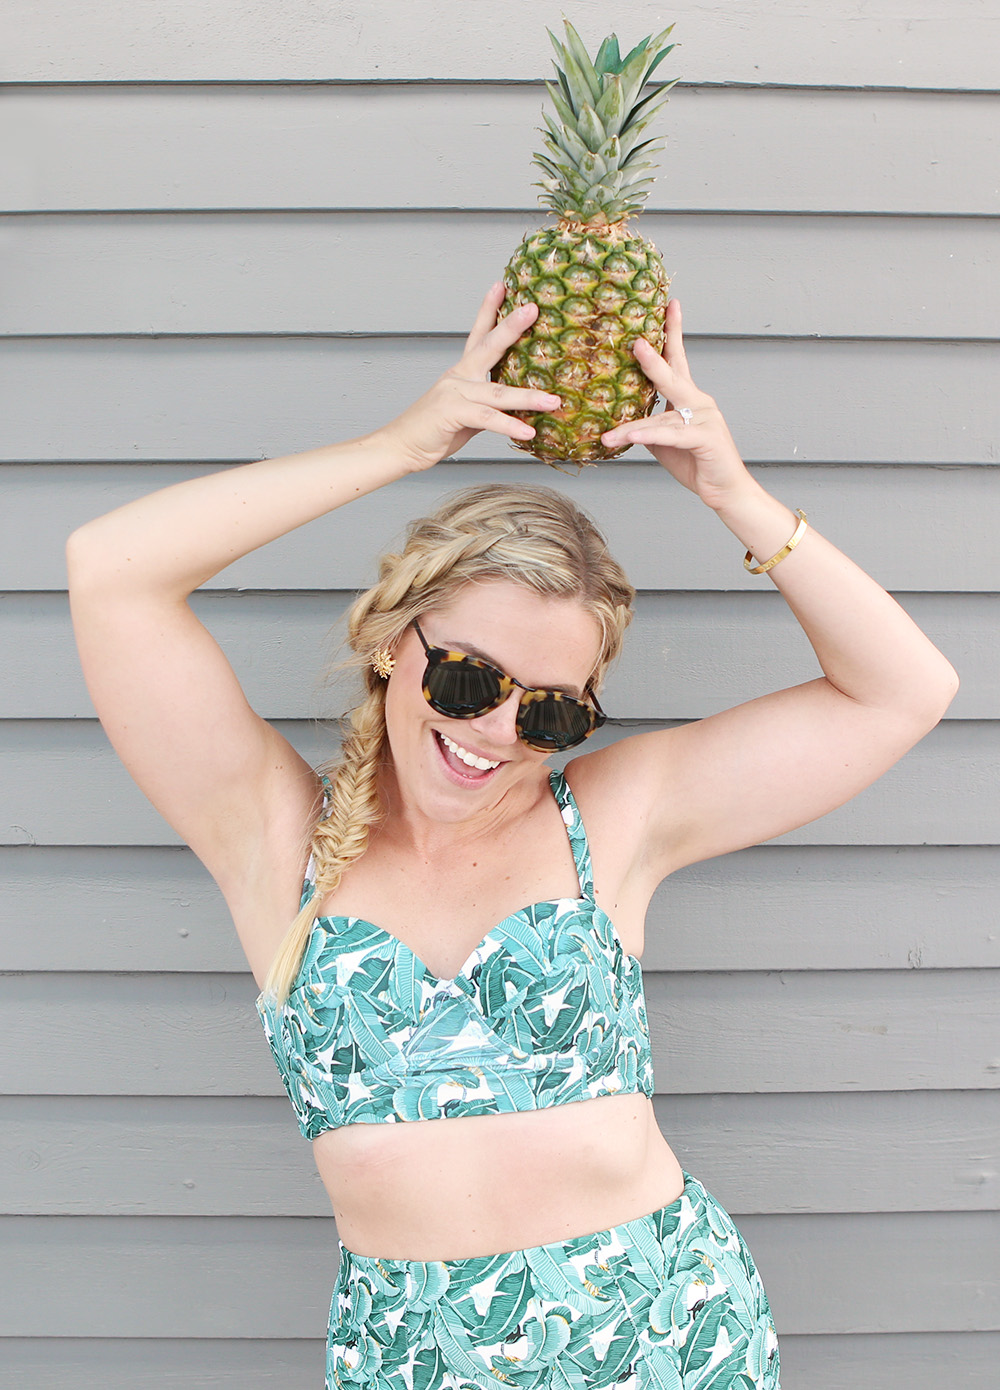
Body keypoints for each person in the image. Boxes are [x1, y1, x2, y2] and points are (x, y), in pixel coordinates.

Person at [66, 284, 958, 1390]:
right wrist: (403, 446)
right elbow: (112, 572)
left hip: (668, 1339)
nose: (496, 731)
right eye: (469, 678)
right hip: (415, 1358)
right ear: (394, 640)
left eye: (549, 712)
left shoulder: (613, 819)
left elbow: (904, 690)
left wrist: (732, 493)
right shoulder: (275, 837)